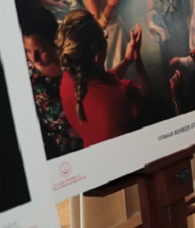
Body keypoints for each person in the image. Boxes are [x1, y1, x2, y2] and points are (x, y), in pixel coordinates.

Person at [58, 9, 151, 148]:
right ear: (97, 54)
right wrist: (137, 57)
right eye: (104, 37)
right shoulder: (123, 92)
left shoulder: (68, 79)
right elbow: (147, 97)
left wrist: (126, 60)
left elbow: (103, 81)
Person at [21, 8, 82, 159]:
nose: (33, 58)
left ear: (54, 42)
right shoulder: (28, 77)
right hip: (57, 149)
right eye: (27, 51)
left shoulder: (71, 60)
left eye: (39, 50)